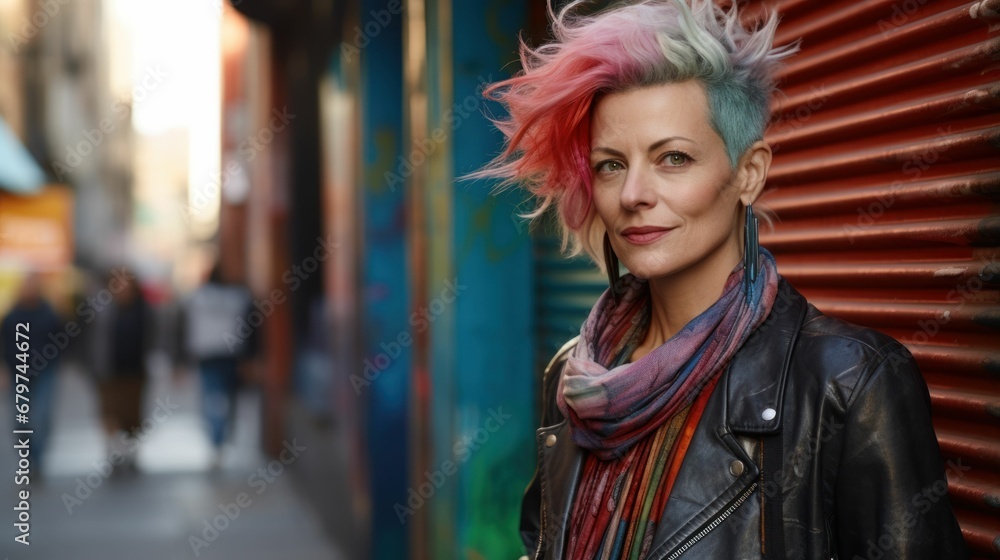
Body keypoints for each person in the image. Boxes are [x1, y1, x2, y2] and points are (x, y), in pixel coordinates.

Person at [475, 1, 969, 558]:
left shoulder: (848, 387)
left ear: (748, 173)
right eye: (611, 164)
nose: (633, 194)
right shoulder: (575, 375)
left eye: (673, 158)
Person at [182, 263, 257, 468]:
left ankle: (216, 437)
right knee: (227, 395)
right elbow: (251, 327)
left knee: (211, 396)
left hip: (206, 353)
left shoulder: (197, 298)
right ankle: (222, 434)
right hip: (230, 353)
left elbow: (186, 325)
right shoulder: (239, 297)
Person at [88, 270, 154, 473]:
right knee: (110, 414)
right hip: (108, 372)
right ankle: (114, 453)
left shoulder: (144, 310)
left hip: (135, 372)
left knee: (132, 416)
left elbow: (155, 337)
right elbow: (90, 339)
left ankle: (131, 454)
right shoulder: (103, 310)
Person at [1, 273, 61, 474]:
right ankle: (28, 457)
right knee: (21, 419)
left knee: (42, 417)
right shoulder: (11, 317)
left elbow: (62, 339)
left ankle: (38, 457)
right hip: (18, 373)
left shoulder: (49, 313)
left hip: (44, 372)